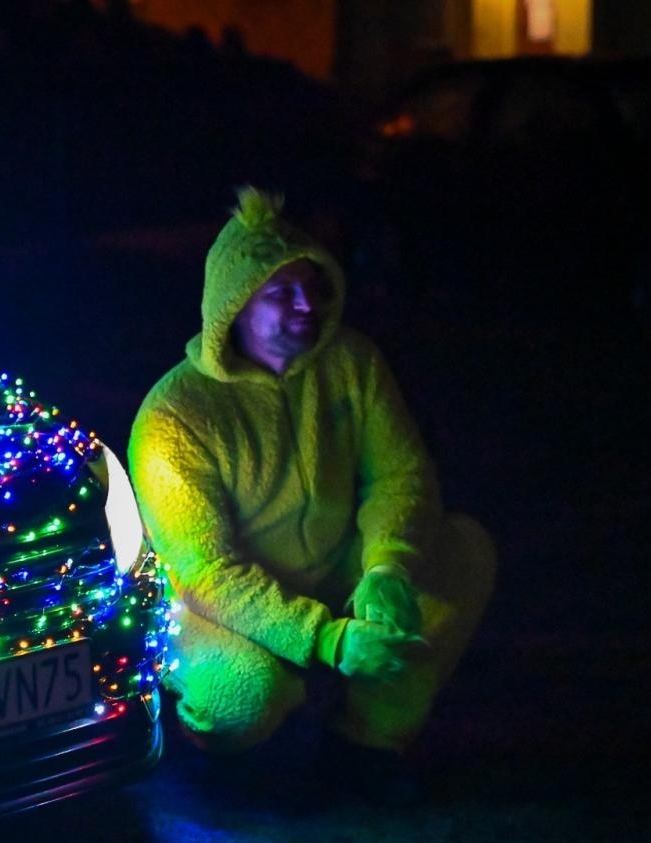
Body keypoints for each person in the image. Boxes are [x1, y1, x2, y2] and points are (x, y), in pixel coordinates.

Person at [128, 187, 496, 802]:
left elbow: (400, 475)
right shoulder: (174, 416)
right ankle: (217, 757)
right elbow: (206, 573)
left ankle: (366, 747)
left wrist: (386, 567)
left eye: (315, 288)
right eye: (282, 293)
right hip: (216, 609)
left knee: (462, 551)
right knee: (243, 694)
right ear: (235, 304)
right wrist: (324, 637)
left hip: (331, 568)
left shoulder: (352, 363)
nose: (308, 306)